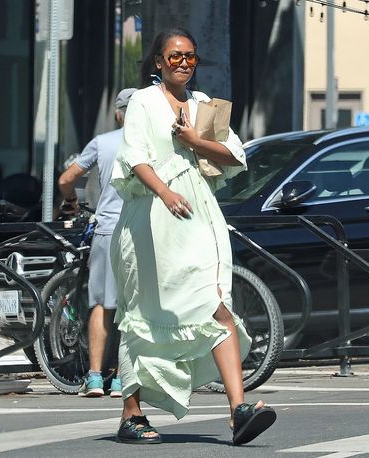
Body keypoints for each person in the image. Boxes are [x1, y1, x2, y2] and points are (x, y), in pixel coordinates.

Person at [110, 28, 276, 445]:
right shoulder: (143, 102)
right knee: (144, 313)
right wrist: (164, 193)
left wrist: (194, 141)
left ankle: (239, 411)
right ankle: (131, 414)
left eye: (191, 57)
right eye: (175, 56)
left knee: (216, 302)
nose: (183, 63)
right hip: (150, 218)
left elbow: (235, 155)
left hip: (198, 215)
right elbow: (134, 158)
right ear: (159, 62)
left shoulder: (205, 105)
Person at [58, 87, 137, 398]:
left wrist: (71, 204)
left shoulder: (102, 143)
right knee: (131, 307)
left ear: (118, 114)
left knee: (102, 304)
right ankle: (120, 378)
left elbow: (67, 179)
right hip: (139, 230)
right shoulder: (153, 143)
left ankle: (93, 378)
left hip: (107, 229)